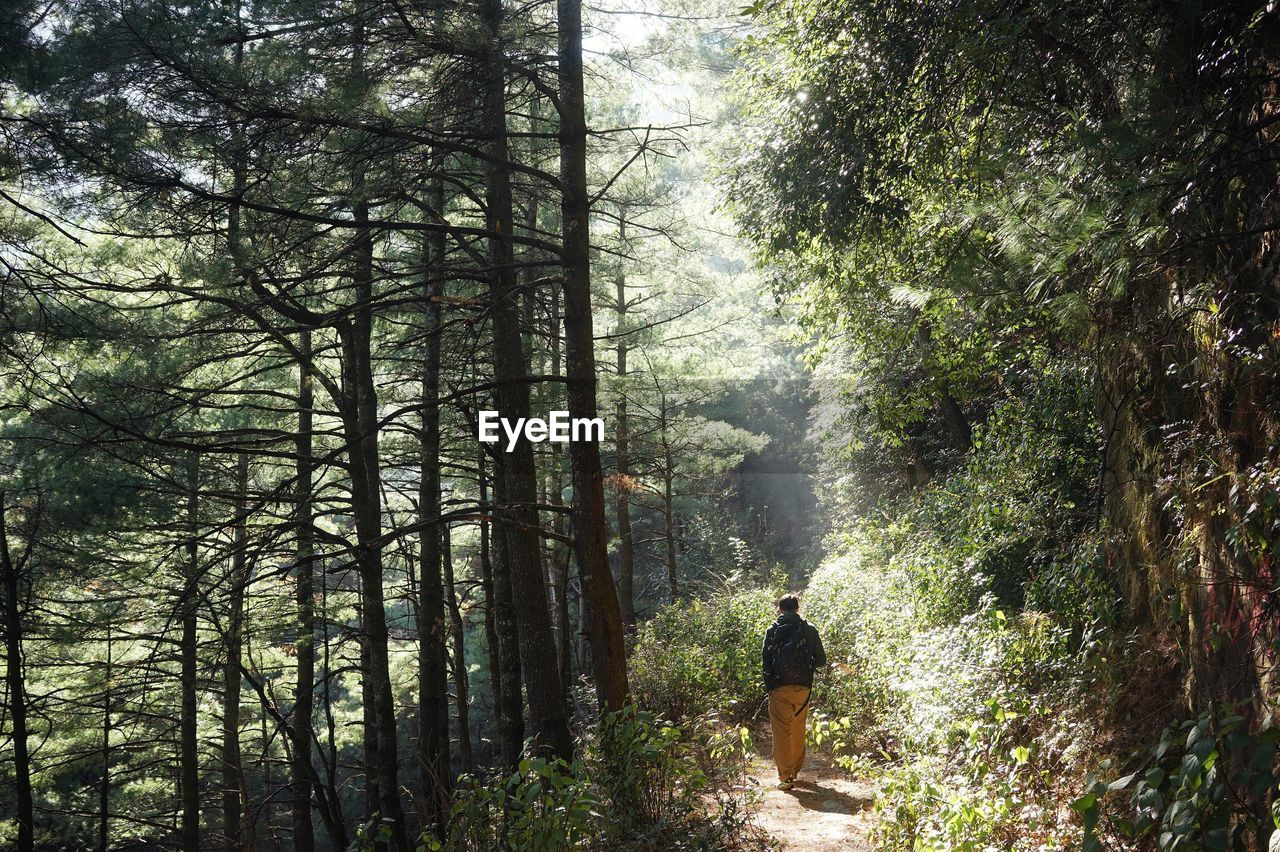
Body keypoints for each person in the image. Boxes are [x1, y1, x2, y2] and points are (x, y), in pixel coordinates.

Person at [761, 592, 826, 790]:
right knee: (798, 729)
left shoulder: (772, 630)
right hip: (802, 687)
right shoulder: (809, 629)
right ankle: (795, 771)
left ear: (780, 609)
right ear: (798, 608)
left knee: (781, 732)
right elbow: (822, 660)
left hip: (779, 688)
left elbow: (765, 663)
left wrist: (770, 686)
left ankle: (786, 777)